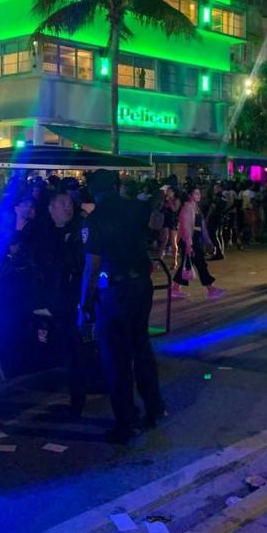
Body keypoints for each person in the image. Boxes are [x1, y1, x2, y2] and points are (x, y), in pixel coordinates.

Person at [79, 169, 164, 444]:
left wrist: (84, 303)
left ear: (94, 191)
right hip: (141, 286)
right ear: (116, 186)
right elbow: (157, 220)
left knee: (116, 359)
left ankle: (126, 423)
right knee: (141, 348)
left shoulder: (94, 220)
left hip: (114, 291)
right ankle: (155, 408)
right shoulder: (134, 208)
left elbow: (91, 267)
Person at [36, 191, 89, 416]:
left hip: (71, 298)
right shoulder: (44, 231)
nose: (68, 207)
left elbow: (81, 265)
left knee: (73, 347)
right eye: (62, 203)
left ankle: (78, 400)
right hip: (52, 297)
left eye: (69, 203)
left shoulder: (77, 231)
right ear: (51, 207)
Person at [172, 186, 225, 300]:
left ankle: (175, 288)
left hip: (195, 239)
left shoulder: (195, 207)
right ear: (190, 195)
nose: (199, 195)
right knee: (200, 264)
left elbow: (202, 226)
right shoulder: (187, 207)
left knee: (187, 264)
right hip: (190, 239)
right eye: (196, 193)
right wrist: (188, 244)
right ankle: (211, 289)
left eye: (199, 193)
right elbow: (186, 228)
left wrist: (208, 241)